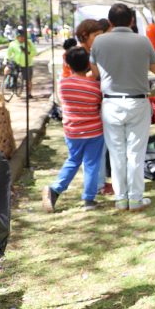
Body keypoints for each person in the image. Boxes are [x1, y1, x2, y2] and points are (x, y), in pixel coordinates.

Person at [90, 3, 155, 211]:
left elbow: (94, 72)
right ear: (131, 20)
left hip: (111, 102)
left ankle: (121, 198)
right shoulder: (142, 40)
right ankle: (136, 198)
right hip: (138, 101)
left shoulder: (99, 41)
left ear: (110, 22)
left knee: (116, 151)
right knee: (136, 152)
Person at [43, 46, 104, 212]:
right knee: (91, 164)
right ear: (88, 64)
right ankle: (89, 200)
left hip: (73, 131)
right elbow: (99, 102)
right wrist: (93, 67)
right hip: (94, 131)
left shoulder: (63, 84)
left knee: (73, 160)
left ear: (69, 65)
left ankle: (55, 189)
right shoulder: (95, 86)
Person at [4, 29, 37, 98]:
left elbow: (34, 52)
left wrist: (26, 52)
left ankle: (29, 93)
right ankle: (9, 83)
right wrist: (6, 60)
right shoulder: (13, 43)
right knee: (7, 70)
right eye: (20, 36)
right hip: (16, 63)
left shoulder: (29, 43)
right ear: (17, 37)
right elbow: (8, 53)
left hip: (27, 64)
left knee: (28, 80)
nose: (22, 38)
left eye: (23, 36)